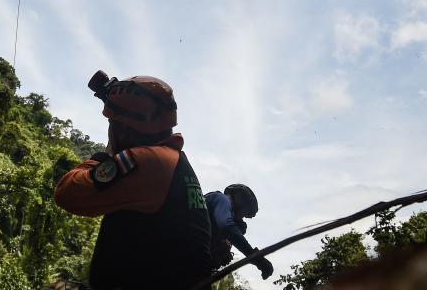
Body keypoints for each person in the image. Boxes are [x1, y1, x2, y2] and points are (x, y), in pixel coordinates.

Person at [53, 71, 215, 290]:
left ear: (124, 129)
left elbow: (67, 194)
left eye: (112, 122)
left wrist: (105, 155)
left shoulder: (147, 160)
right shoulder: (171, 160)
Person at [204, 184, 273, 280]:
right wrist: (255, 257)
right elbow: (227, 226)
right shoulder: (222, 199)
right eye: (244, 214)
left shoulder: (215, 220)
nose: (241, 218)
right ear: (239, 198)